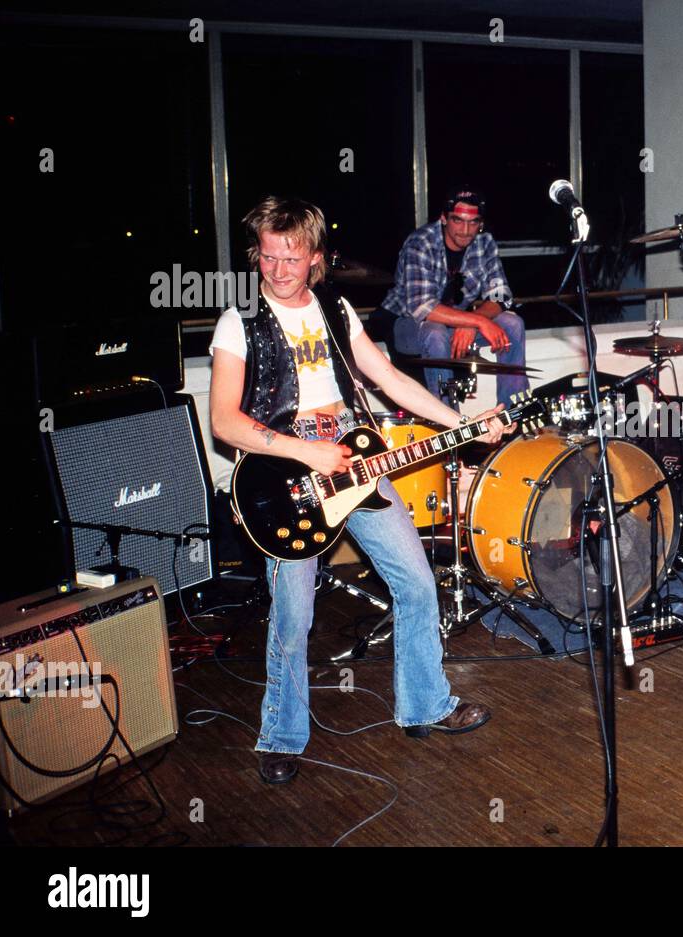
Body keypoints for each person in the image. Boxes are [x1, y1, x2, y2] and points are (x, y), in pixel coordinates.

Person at [210, 197, 501, 785]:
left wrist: (461, 424)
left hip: (351, 452)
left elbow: (388, 376)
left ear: (315, 257)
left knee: (418, 583)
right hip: (283, 469)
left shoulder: (334, 308)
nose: (279, 270)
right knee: (294, 614)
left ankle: (424, 704)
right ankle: (282, 735)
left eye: (292, 258)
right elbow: (224, 422)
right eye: (268, 257)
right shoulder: (238, 321)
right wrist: (304, 450)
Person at [384, 185, 528, 408]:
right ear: (443, 218)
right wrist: (477, 320)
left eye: (473, 222)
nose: (465, 229)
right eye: (457, 220)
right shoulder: (421, 243)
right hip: (405, 325)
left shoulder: (485, 242)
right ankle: (449, 423)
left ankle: (513, 413)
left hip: (456, 320)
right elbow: (423, 307)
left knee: (512, 323)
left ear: (480, 223)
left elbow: (501, 295)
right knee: (435, 332)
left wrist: (471, 323)